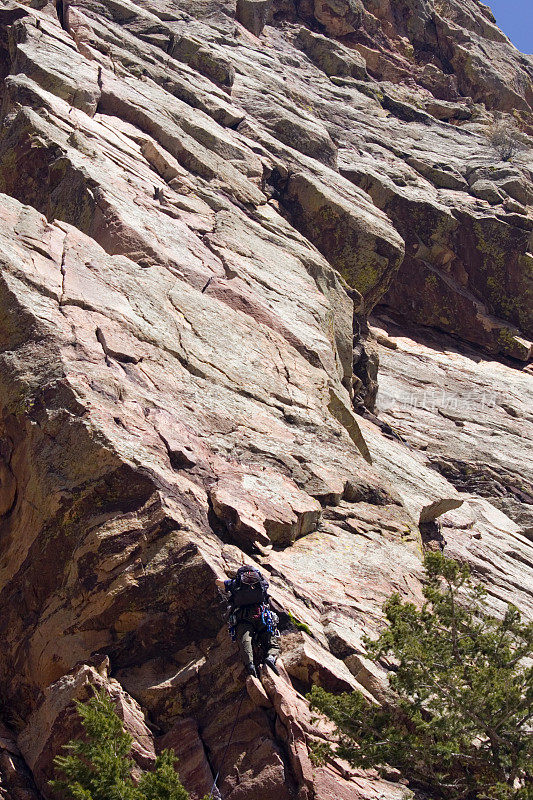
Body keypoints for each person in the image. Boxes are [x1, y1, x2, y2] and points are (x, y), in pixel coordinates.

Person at [216, 565, 280, 679]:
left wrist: (229, 581)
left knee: (245, 640)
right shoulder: (261, 582)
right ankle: (270, 657)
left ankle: (250, 665)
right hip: (262, 615)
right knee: (271, 639)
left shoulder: (235, 583)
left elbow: (218, 582)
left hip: (243, 617)